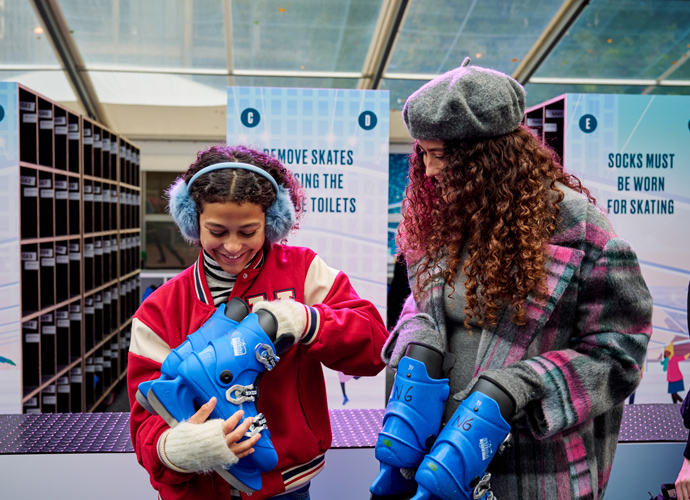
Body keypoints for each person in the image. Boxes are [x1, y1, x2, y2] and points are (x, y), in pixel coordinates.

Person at [381, 57, 653, 500]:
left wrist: (517, 388)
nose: (428, 171)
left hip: (533, 472)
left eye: (441, 156)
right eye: (423, 154)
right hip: (430, 461)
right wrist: (416, 338)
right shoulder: (438, 218)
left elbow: (620, 353)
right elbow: (420, 304)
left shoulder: (581, 231)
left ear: (489, 158)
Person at [127, 145, 388, 500]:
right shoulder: (161, 308)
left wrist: (310, 321)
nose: (232, 246)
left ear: (272, 221)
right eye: (217, 231)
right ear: (192, 221)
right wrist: (177, 449)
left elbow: (375, 348)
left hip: (286, 487)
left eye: (248, 231)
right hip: (199, 491)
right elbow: (146, 414)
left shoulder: (304, 271)